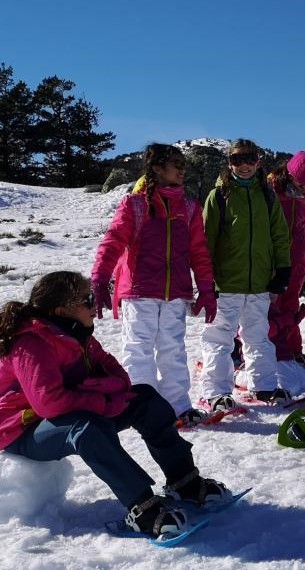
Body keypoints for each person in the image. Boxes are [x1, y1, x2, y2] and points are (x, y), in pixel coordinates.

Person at [0, 271, 229, 538]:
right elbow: (49, 403)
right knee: (87, 429)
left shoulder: (75, 333)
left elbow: (118, 375)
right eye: (86, 299)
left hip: (72, 411)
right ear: (62, 310)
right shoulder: (31, 343)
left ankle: (184, 481)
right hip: (24, 430)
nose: (94, 305)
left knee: (145, 398)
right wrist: (101, 399)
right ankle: (141, 507)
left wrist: (100, 394)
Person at [90, 144, 216, 426]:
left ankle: (179, 407)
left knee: (173, 349)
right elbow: (113, 242)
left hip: (176, 293)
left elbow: (199, 252)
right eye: (175, 163)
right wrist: (99, 277)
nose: (182, 168)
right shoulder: (134, 204)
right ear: (157, 169)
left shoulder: (190, 207)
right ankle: (143, 409)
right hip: (139, 292)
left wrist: (206, 288)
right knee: (139, 349)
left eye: (183, 164)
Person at [199, 139, 293, 406]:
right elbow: (207, 239)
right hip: (226, 283)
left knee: (258, 338)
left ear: (258, 162)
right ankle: (216, 392)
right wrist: (207, 279)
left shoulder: (267, 195)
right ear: (230, 163)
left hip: (259, 283)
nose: (244, 166)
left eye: (249, 159)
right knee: (219, 338)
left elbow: (279, 235)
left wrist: (283, 269)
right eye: (237, 160)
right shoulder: (218, 196)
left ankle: (262, 387)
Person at [266, 151, 305, 366]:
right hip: (271, 263)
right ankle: (260, 352)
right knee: (267, 308)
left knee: (290, 307)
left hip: (297, 262)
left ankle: (291, 351)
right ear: (289, 174)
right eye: (301, 184)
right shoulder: (269, 189)